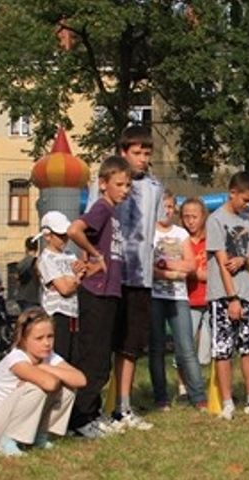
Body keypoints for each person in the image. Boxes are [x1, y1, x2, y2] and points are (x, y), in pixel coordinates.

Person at [93, 126, 164, 426]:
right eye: (136, 153)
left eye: (147, 153)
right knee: (102, 342)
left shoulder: (155, 188)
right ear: (123, 152)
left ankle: (123, 406)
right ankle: (93, 408)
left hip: (140, 276)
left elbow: (156, 229)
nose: (142, 159)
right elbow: (91, 224)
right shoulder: (107, 184)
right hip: (109, 275)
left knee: (131, 344)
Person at [66, 156, 131, 437]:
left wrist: (91, 254)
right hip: (97, 292)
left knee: (102, 358)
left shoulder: (113, 214)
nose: (125, 190)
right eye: (119, 184)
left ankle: (90, 414)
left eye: (128, 185)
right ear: (103, 184)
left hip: (110, 291)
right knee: (93, 358)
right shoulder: (102, 209)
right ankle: (80, 420)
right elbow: (74, 230)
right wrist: (94, 255)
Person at [207, 171, 249, 420]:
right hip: (223, 295)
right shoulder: (215, 220)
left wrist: (243, 260)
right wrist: (232, 298)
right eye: (244, 200)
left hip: (246, 292)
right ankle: (227, 402)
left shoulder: (247, 220)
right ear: (232, 193)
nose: (247, 205)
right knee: (223, 348)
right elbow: (223, 263)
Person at [0, 307, 85, 456]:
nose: (47, 343)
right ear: (23, 340)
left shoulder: (47, 356)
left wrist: (43, 367)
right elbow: (50, 384)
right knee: (38, 387)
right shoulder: (17, 358)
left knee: (68, 388)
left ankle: (40, 436)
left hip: (14, 417)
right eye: (39, 338)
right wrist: (48, 371)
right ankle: (8, 442)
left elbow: (80, 379)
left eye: (50, 336)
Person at [149, 191, 208, 412]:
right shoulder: (149, 233)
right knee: (157, 348)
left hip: (179, 297)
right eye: (163, 206)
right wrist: (171, 271)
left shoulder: (180, 233)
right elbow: (147, 267)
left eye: (171, 207)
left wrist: (163, 264)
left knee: (186, 349)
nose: (167, 211)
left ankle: (198, 396)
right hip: (155, 297)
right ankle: (161, 397)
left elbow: (191, 265)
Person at [34, 211, 83, 372]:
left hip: (74, 313)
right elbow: (65, 289)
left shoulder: (70, 255)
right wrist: (76, 278)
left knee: (75, 358)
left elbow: (80, 275)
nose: (65, 239)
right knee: (58, 358)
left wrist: (74, 278)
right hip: (57, 314)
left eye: (66, 235)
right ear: (47, 236)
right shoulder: (46, 258)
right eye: (60, 235)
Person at [180, 197, 213, 379]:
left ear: (203, 217)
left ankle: (200, 382)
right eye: (186, 217)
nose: (190, 221)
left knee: (206, 350)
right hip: (188, 299)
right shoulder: (181, 240)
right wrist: (196, 274)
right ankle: (183, 386)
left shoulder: (210, 241)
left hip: (208, 298)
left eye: (194, 216)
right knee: (185, 345)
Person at [14, 236, 41, 311]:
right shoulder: (37, 262)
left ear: (26, 248)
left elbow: (17, 278)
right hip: (32, 296)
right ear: (37, 248)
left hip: (21, 296)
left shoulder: (21, 263)